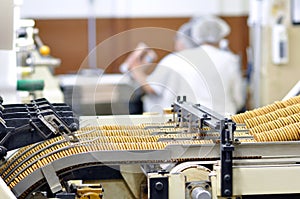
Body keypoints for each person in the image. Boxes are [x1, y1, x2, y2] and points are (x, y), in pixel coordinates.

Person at [128, 16, 245, 115]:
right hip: (223, 123)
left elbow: (152, 87)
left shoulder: (175, 59)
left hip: (186, 124)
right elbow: (238, 98)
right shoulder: (229, 60)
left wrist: (135, 69)